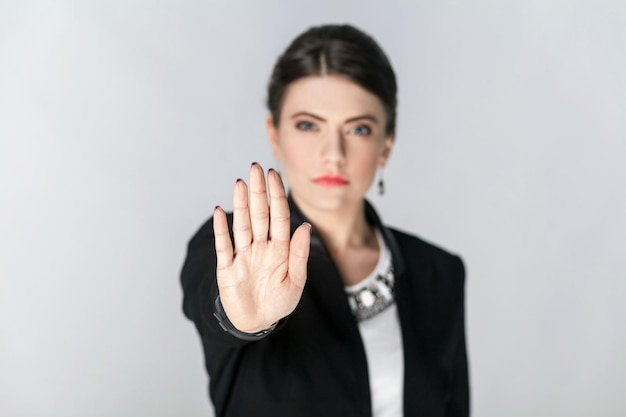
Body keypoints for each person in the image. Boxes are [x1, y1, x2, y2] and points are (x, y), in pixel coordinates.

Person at [181, 24, 469, 417]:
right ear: (275, 135)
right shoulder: (234, 247)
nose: (333, 152)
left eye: (359, 128)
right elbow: (208, 302)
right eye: (308, 125)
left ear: (385, 145)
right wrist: (240, 317)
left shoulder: (438, 272)